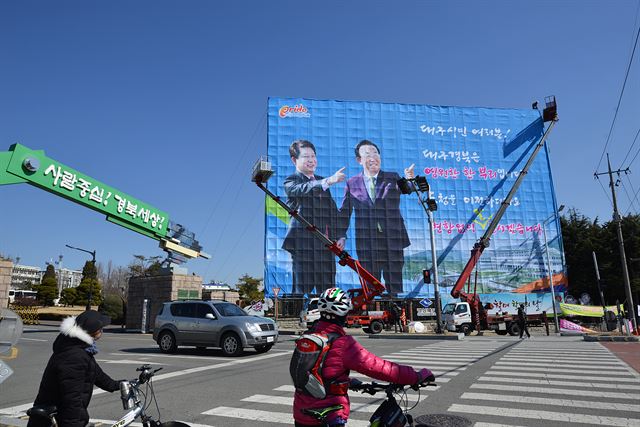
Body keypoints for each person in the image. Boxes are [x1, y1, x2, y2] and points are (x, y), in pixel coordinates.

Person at [292, 288, 434, 426]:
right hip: (329, 415)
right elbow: (378, 367)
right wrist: (416, 376)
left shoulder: (309, 336)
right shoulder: (342, 343)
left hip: (301, 413)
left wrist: (348, 382)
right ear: (345, 312)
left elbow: (320, 372)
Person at [338, 140, 412, 295]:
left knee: (394, 282)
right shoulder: (352, 183)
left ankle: (396, 314)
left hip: (393, 238)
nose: (372, 157)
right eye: (367, 154)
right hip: (367, 241)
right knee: (371, 284)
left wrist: (409, 179)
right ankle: (373, 310)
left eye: (375, 153)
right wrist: (341, 236)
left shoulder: (393, 177)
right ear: (359, 160)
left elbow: (407, 189)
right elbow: (345, 212)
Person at [28, 310, 121, 427]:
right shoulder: (74, 356)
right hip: (57, 418)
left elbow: (97, 374)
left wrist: (118, 385)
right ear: (93, 330)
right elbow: (72, 398)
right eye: (101, 327)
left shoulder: (79, 347)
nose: (102, 330)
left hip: (63, 414)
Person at [283, 140, 346, 295]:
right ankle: (297, 318)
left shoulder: (321, 181)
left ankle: (330, 318)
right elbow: (303, 190)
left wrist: (341, 236)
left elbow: (332, 213)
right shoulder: (291, 181)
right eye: (306, 156)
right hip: (303, 246)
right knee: (301, 290)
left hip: (326, 246)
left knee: (328, 291)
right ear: (294, 160)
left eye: (313, 156)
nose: (311, 160)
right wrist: (329, 181)